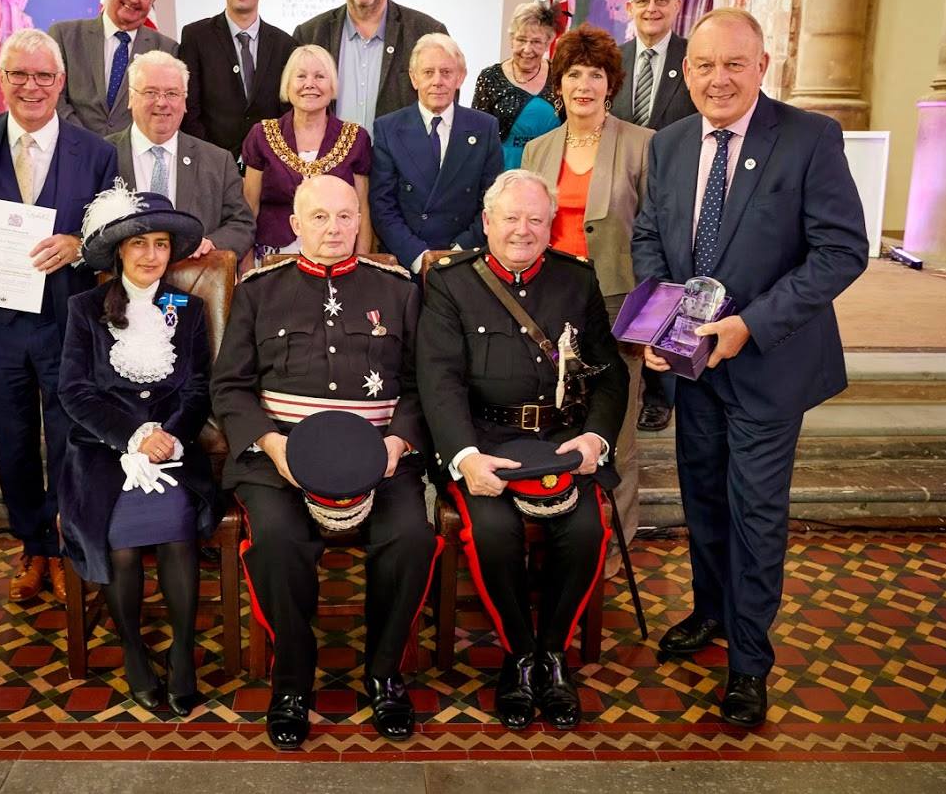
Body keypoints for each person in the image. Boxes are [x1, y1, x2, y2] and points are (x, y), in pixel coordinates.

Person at [631, 8, 868, 729]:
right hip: (692, 367)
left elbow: (841, 251)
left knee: (755, 511)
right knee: (703, 499)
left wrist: (751, 324)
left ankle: (749, 662)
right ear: (685, 71)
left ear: (764, 65)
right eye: (703, 66)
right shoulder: (669, 145)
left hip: (769, 363)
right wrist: (657, 318)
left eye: (734, 64)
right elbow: (649, 234)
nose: (718, 79)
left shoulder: (809, 138)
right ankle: (709, 612)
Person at [211, 175, 437, 750]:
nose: (333, 228)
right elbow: (231, 387)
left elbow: (422, 384)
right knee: (278, 540)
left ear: (359, 221)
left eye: (344, 217)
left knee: (411, 536)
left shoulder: (399, 290)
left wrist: (400, 443)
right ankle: (292, 676)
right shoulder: (259, 289)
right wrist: (270, 443)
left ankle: (384, 671)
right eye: (319, 218)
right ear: (295, 224)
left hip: (381, 453)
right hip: (282, 453)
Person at [417, 169, 629, 731]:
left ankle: (552, 653)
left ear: (551, 225)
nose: (522, 230)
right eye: (510, 218)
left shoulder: (575, 281)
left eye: (536, 219)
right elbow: (437, 380)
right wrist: (463, 457)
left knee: (587, 531)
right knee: (493, 532)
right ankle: (518, 653)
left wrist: (595, 439)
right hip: (485, 442)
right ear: (487, 221)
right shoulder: (450, 282)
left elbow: (609, 376)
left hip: (560, 443)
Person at [0, 28, 118, 605]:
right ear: (1, 78)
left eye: (44, 76)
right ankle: (32, 546)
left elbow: (107, 237)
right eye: (19, 74)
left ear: (61, 83)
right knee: (15, 442)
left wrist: (78, 244)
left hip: (66, 323)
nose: (31, 86)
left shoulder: (95, 151)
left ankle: (70, 547)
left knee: (70, 438)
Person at [58, 185, 219, 718]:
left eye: (161, 245)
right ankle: (133, 651)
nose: (152, 255)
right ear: (120, 252)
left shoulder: (188, 309)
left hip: (174, 448)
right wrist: (132, 436)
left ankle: (182, 656)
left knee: (177, 529)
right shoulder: (84, 309)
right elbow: (74, 391)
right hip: (102, 452)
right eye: (140, 244)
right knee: (120, 540)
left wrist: (168, 436)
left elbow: (198, 387)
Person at [520, 23, 653, 578]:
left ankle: (611, 547)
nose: (583, 84)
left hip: (618, 305)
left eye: (594, 74)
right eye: (573, 73)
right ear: (560, 80)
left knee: (614, 426)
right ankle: (552, 530)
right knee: (553, 419)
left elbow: (653, 233)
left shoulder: (642, 144)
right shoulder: (536, 147)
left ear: (610, 83)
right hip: (549, 305)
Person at [610, 0, 699, 434]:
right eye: (643, 1)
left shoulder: (694, 60)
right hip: (622, 195)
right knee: (630, 284)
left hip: (676, 196)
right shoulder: (616, 62)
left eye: (661, 0)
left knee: (666, 284)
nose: (652, 9)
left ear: (677, 5)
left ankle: (661, 394)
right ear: (629, 8)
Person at [370, 33, 504, 273]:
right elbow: (383, 206)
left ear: (460, 77)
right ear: (414, 78)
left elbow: (492, 203)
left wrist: (456, 253)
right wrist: (418, 257)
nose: (437, 81)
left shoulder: (485, 128)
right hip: (408, 263)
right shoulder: (388, 128)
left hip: (466, 262)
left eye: (446, 72)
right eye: (428, 72)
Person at [105, 51, 256, 261]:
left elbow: (242, 224)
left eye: (172, 94)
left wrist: (212, 243)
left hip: (194, 283)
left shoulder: (217, 161)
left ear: (185, 102)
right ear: (131, 97)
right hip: (121, 287)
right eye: (150, 92)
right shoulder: (102, 154)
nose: (162, 103)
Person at [293, 0, 447, 132]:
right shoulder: (309, 35)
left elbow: (444, 109)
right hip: (328, 161)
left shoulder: (426, 33)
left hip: (400, 162)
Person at [241, 45, 373, 263]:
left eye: (320, 76)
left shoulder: (356, 137)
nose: (309, 84)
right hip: (273, 258)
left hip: (337, 256)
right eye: (301, 76)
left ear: (332, 85)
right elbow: (249, 208)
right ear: (287, 85)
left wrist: (362, 265)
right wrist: (245, 268)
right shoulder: (261, 135)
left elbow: (362, 210)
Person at [179, 0, 298, 161]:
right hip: (210, 164)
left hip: (268, 167)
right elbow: (189, 108)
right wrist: (211, 158)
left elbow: (289, 115)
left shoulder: (286, 45)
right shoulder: (195, 37)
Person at [50, 0, 179, 137]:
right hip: (74, 151)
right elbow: (54, 97)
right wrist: (89, 144)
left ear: (153, 1)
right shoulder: (65, 36)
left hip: (133, 160)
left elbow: (163, 111)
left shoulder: (166, 49)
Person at [471, 0, 564, 171]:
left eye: (536, 42)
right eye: (521, 40)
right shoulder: (490, 78)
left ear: (548, 43)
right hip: (502, 175)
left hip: (550, 171)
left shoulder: (560, 76)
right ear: (511, 39)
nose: (527, 49)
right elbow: (476, 136)